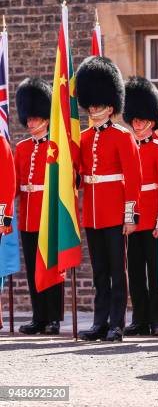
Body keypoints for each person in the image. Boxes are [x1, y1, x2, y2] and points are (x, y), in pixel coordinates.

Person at [76, 56, 143, 342]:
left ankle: (117, 322)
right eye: (90, 104)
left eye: (98, 104)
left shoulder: (122, 136)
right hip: (92, 212)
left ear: (110, 106)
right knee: (100, 272)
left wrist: (129, 216)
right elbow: (78, 173)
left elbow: (134, 178)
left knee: (118, 270)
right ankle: (99, 321)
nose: (93, 109)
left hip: (115, 212)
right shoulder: (84, 137)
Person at [14, 77, 63, 335]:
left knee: (51, 268)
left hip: (49, 215)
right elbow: (16, 184)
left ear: (45, 117)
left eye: (35, 118)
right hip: (28, 218)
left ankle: (54, 317)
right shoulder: (21, 148)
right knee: (33, 270)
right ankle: (39, 317)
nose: (31, 123)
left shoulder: (55, 147)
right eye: (29, 118)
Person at [122, 76, 158, 337]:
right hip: (133, 218)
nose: (137, 125)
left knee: (155, 274)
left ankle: (157, 320)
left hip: (153, 219)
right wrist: (127, 216)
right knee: (136, 273)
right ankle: (139, 318)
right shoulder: (128, 148)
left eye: (142, 120)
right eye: (135, 120)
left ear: (152, 121)